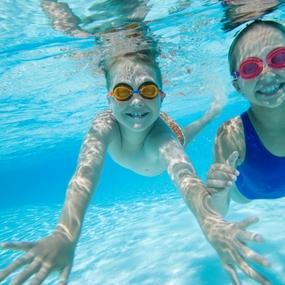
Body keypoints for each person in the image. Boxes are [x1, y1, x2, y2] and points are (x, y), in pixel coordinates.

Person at [0, 2, 271, 285]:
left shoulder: (164, 140)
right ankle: (211, 110)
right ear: (109, 98)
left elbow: (186, 178)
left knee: (189, 132)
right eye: (123, 91)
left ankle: (213, 110)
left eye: (149, 89)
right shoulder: (104, 125)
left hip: (168, 133)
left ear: (161, 96)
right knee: (186, 134)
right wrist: (65, 233)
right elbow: (84, 175)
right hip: (153, 138)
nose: (137, 100)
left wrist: (210, 223)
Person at [207, 20, 285, 217]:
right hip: (246, 194)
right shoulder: (231, 135)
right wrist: (218, 191)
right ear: (238, 86)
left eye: (279, 57)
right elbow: (218, 210)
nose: (267, 75)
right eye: (250, 68)